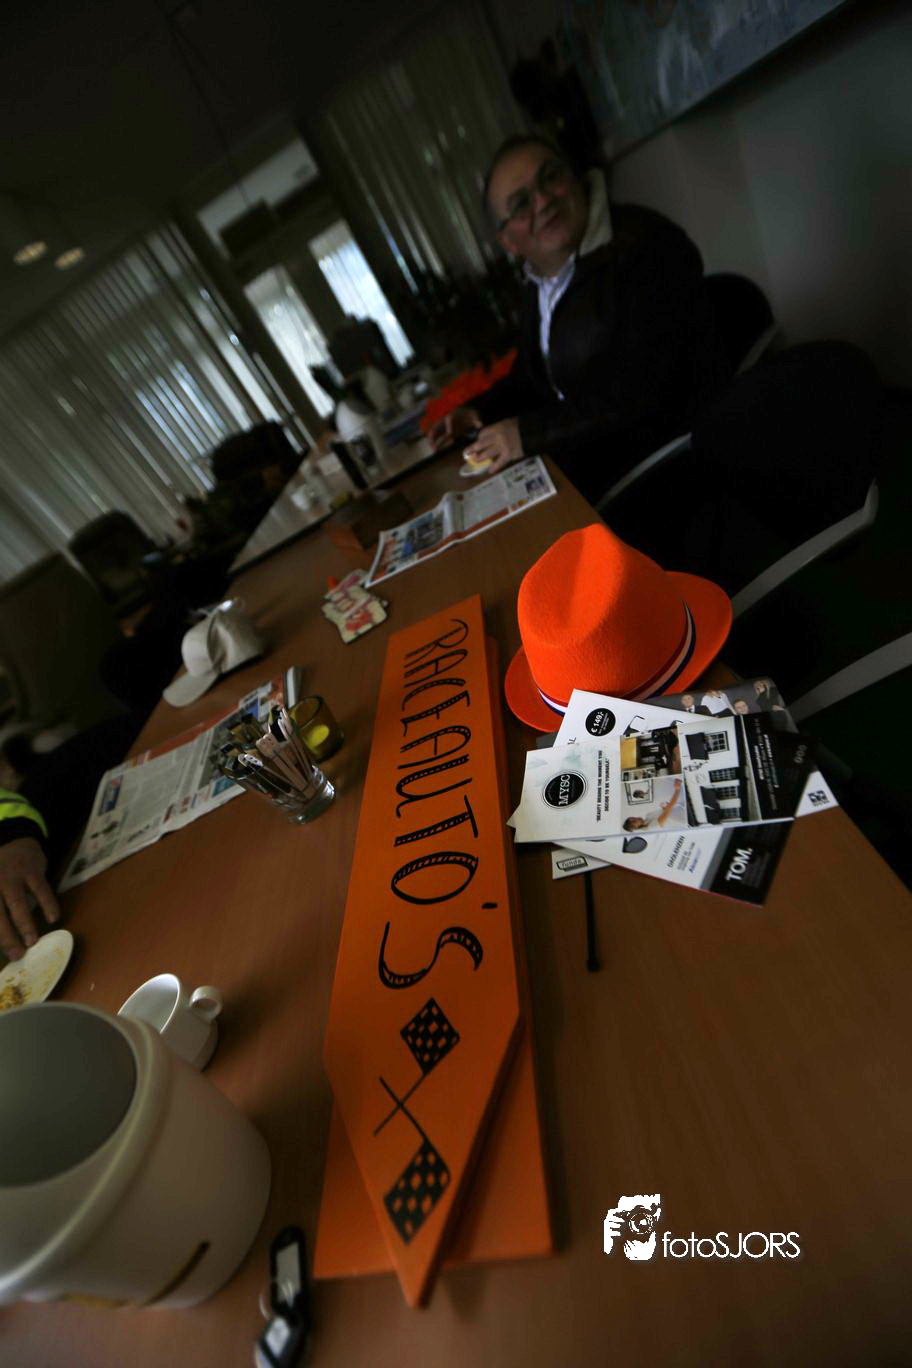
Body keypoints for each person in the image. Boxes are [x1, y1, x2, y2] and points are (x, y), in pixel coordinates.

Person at [429, 136, 722, 503]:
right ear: (509, 242)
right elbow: (532, 376)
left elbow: (639, 392)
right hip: (591, 460)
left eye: (550, 177)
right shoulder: (539, 279)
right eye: (521, 204)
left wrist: (525, 434)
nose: (543, 201)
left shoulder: (647, 246)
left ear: (573, 177)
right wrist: (477, 411)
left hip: (667, 472)